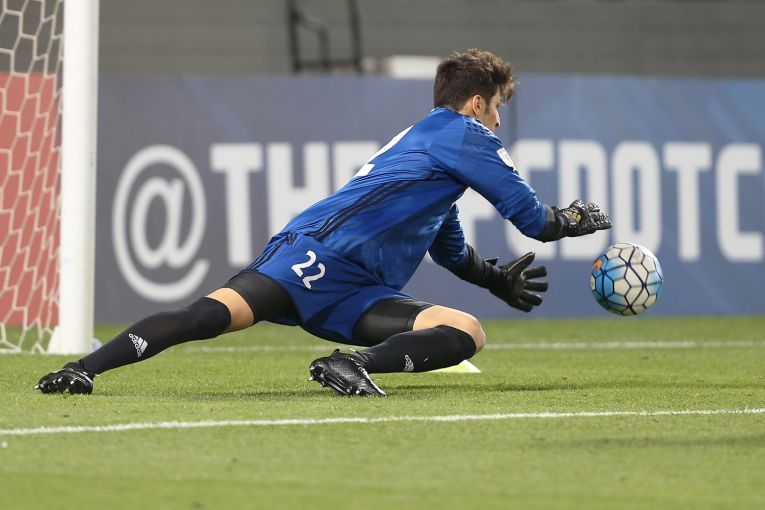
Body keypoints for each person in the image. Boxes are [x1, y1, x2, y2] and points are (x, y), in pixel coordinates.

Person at [36, 49, 611, 397]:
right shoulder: (464, 135)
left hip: (358, 289)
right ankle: (84, 368)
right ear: (477, 103)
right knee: (210, 316)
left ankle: (349, 365)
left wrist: (493, 279)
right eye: (497, 107)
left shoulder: (428, 149)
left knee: (466, 330)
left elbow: (449, 246)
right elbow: (533, 219)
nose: (498, 121)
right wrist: (571, 218)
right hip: (317, 255)